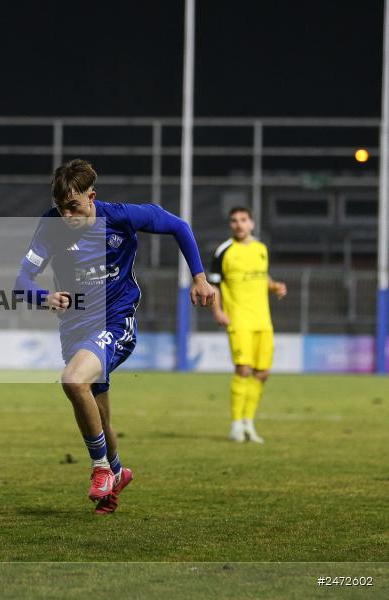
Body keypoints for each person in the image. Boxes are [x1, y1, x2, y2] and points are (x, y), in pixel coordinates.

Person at [16, 159, 216, 514]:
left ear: (91, 197)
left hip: (115, 321)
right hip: (75, 328)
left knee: (73, 380)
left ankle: (100, 470)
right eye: (61, 207)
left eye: (73, 206)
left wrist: (199, 278)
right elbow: (22, 282)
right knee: (99, 415)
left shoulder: (122, 216)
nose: (66, 215)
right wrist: (44, 296)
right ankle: (117, 473)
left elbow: (179, 226)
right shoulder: (50, 225)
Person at [209, 207, 287, 444]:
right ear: (231, 225)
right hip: (239, 319)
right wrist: (218, 311)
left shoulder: (261, 249)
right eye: (234, 221)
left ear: (252, 223)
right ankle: (235, 425)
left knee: (262, 373)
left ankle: (248, 423)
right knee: (243, 369)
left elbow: (263, 276)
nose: (239, 224)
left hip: (263, 320)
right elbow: (214, 285)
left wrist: (274, 286)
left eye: (243, 220)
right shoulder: (224, 251)